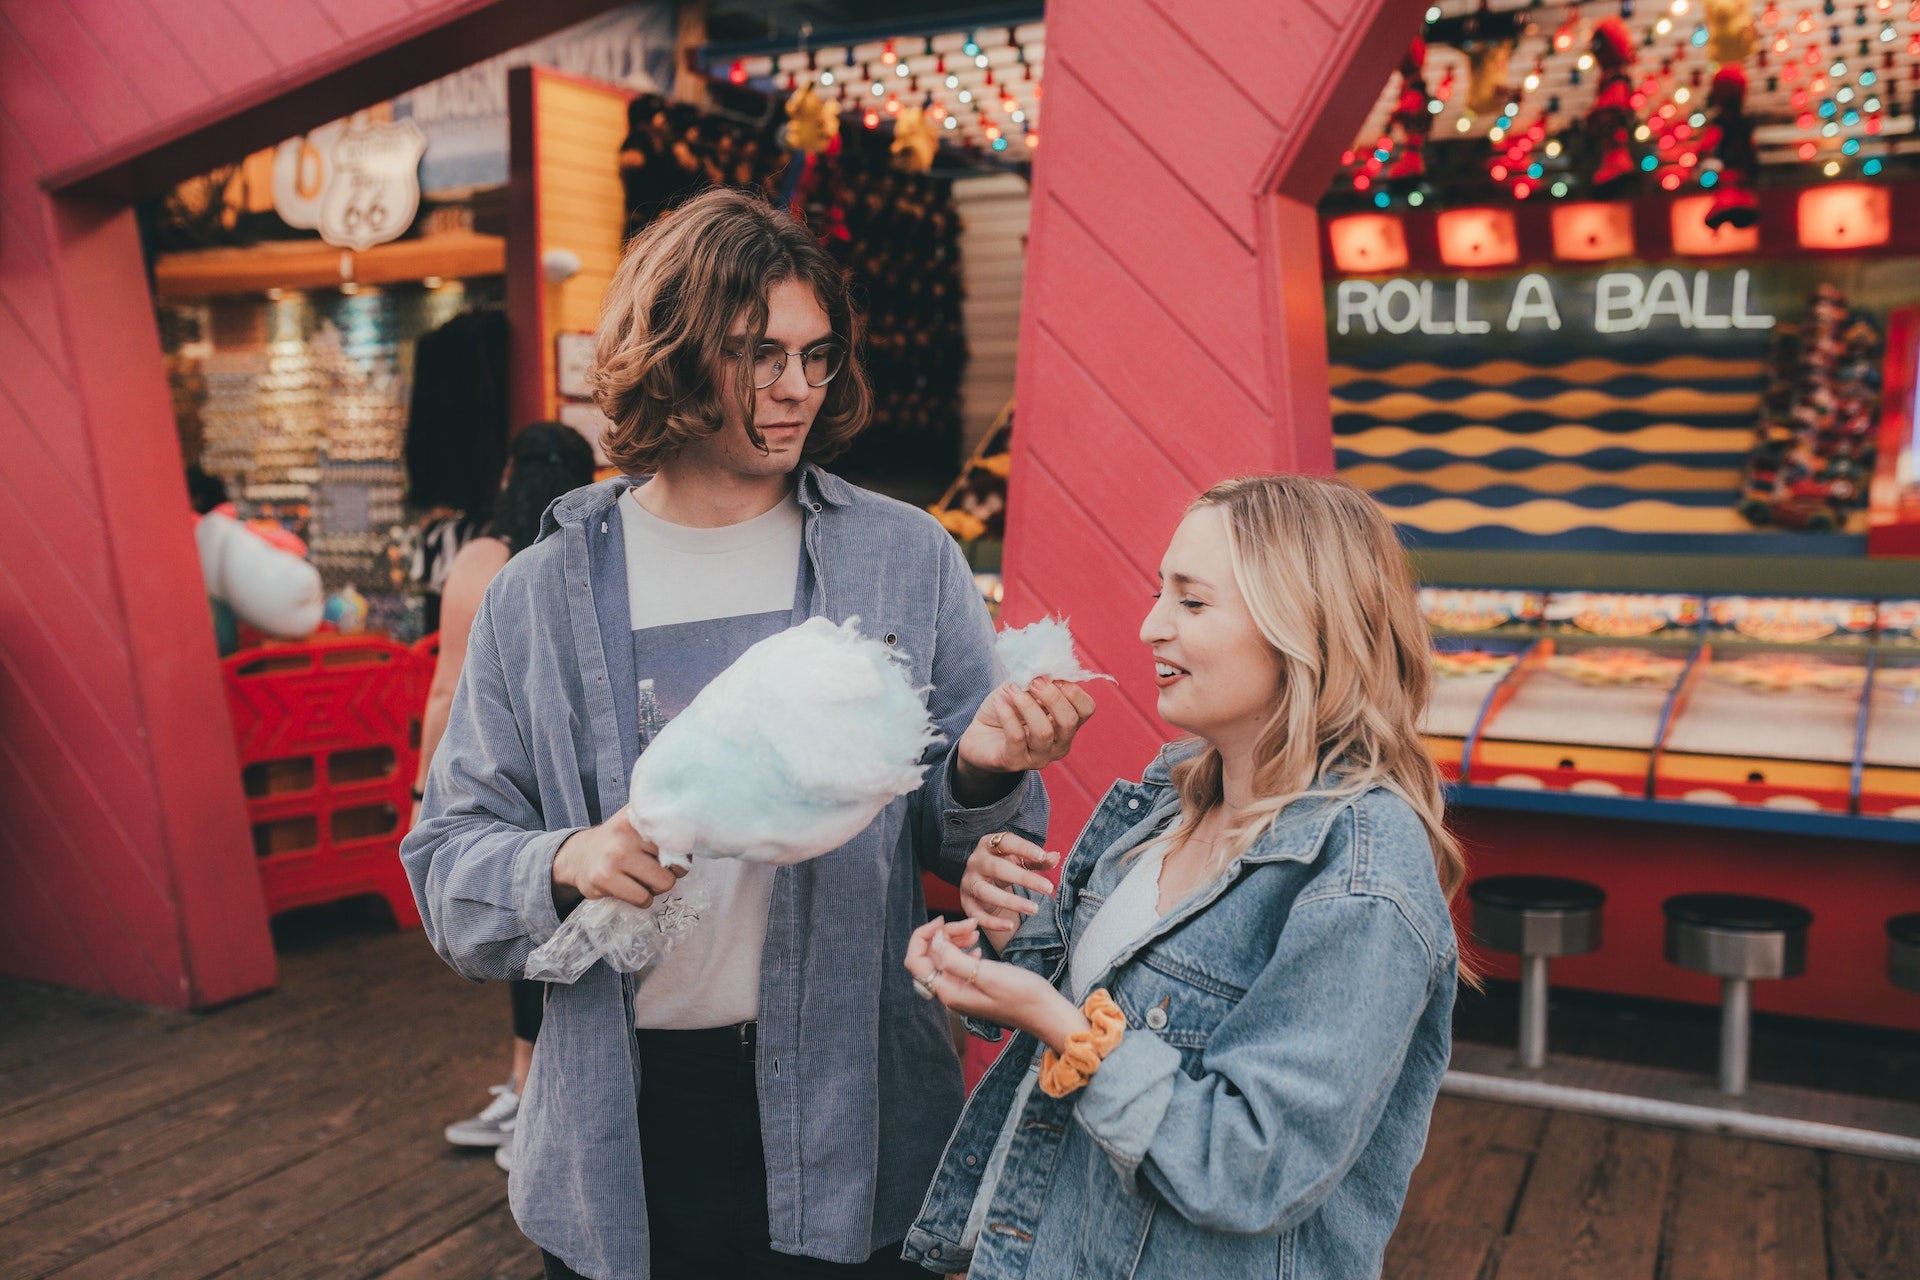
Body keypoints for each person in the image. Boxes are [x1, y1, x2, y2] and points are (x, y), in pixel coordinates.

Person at [400, 186, 1094, 1280]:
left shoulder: (904, 558)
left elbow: (981, 852)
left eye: (818, 355)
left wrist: (982, 765)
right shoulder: (541, 594)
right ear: (671, 354)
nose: (797, 389)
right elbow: (446, 867)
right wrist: (570, 858)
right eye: (758, 354)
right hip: (620, 1119)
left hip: (853, 1109)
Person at [900, 474, 1466, 1280]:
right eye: (1160, 593)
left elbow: (1253, 1166)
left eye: (1192, 604)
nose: (1150, 625)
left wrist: (1058, 1025)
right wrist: (1001, 930)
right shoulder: (1167, 799)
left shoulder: (1363, 866)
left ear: (1302, 627)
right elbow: (1091, 998)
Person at [420, 423, 599, 1171]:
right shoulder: (600, 548)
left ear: (506, 471)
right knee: (584, 940)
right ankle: (541, 1096)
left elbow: (446, 684)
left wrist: (427, 792)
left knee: (524, 930)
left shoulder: (483, 559)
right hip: (585, 778)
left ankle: (529, 1095)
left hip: (501, 774)